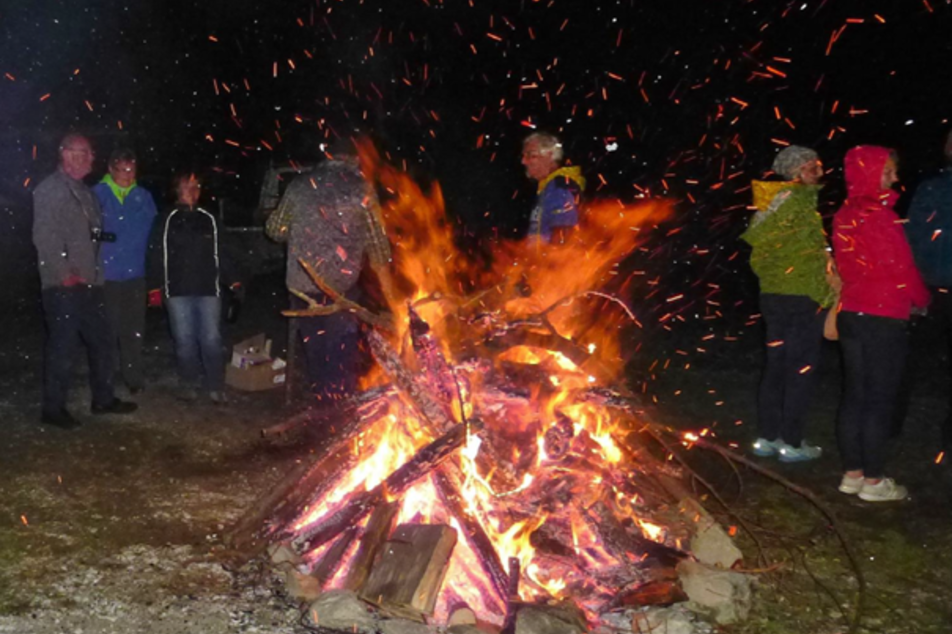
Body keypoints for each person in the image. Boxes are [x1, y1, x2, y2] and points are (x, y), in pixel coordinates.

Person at [833, 146, 931, 502]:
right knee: (878, 400)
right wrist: (923, 299)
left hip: (852, 314)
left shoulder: (844, 213)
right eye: (887, 171)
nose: (893, 177)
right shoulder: (881, 217)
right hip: (883, 317)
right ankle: (874, 482)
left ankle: (852, 474)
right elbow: (901, 269)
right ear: (869, 172)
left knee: (855, 396)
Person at [265, 137, 390, 404]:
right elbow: (378, 245)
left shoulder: (300, 186)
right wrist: (386, 281)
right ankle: (338, 403)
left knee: (315, 345)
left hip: (303, 285)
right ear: (354, 159)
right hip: (340, 288)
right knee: (340, 347)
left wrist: (302, 231)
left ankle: (323, 396)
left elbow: (274, 230)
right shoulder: (361, 189)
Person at [32, 134, 138, 428]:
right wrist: (64, 274)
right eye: (87, 153)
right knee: (63, 347)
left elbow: (92, 237)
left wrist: (100, 269)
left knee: (103, 342)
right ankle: (53, 409)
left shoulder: (86, 193)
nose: (92, 159)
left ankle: (103, 400)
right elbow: (44, 237)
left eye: (90, 154)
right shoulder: (50, 189)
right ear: (66, 154)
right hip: (63, 287)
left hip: (90, 284)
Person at [741, 146, 835, 462]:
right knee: (801, 369)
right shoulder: (800, 206)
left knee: (776, 366)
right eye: (812, 167)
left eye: (819, 166)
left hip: (773, 296)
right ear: (796, 171)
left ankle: (768, 437)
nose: (820, 173)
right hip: (802, 298)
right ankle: (792, 443)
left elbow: (762, 257)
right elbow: (812, 260)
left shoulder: (768, 206)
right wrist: (829, 292)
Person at [153, 173, 228, 404]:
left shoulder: (210, 218)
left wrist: (234, 278)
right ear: (177, 189)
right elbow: (156, 253)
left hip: (208, 289)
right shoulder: (167, 218)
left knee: (211, 339)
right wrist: (154, 287)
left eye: (196, 185)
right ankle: (188, 383)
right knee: (184, 339)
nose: (193, 190)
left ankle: (215, 385)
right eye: (187, 186)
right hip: (177, 290)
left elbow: (223, 251)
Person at [92, 148, 157, 394]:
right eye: (122, 170)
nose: (127, 175)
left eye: (131, 170)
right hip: (106, 275)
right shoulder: (97, 195)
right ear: (111, 169)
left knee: (133, 329)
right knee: (106, 330)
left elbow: (152, 234)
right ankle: (105, 379)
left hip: (135, 275)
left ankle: (133, 377)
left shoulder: (143, 197)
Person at [905, 130, 952, 451]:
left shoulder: (931, 188)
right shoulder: (932, 188)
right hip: (931, 288)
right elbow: (913, 239)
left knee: (906, 361)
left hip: (931, 286)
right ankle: (884, 427)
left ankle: (887, 426)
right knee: (904, 361)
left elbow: (913, 239)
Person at [520, 131, 585, 244]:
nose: (524, 161)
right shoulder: (547, 188)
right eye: (524, 156)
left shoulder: (559, 188)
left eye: (531, 155)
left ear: (550, 156)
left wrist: (549, 260)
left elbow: (563, 236)